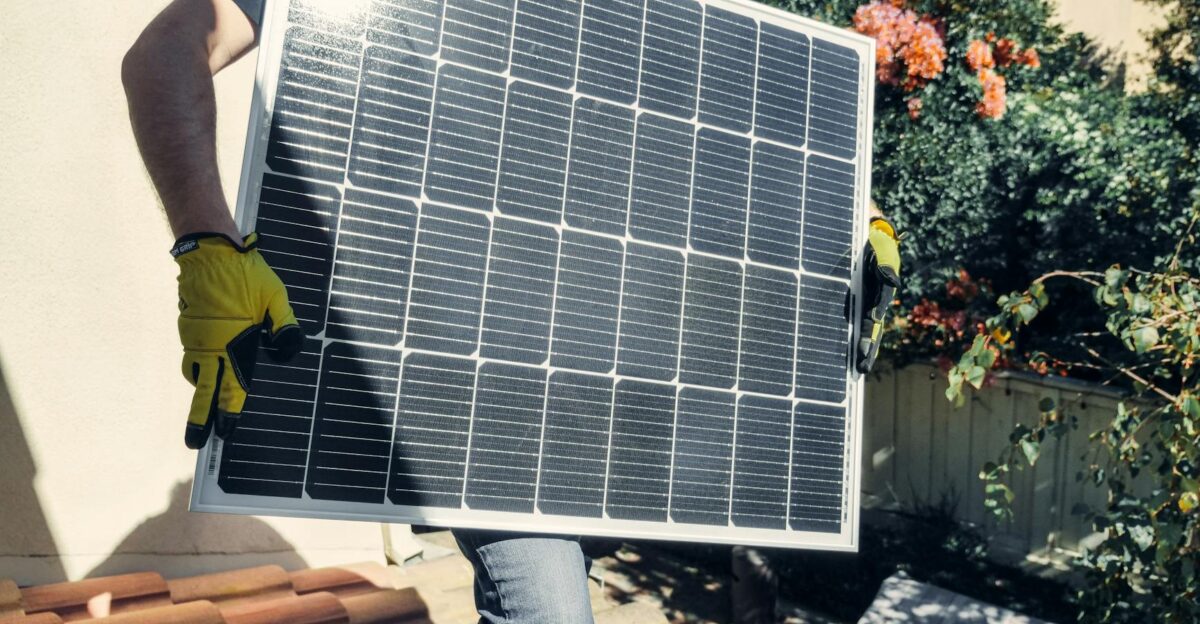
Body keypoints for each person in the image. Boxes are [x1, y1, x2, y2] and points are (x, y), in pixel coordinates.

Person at [121, 1, 595, 622]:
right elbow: (163, 55)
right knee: (552, 604)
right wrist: (208, 246)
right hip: (476, 372)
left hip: (589, 366)